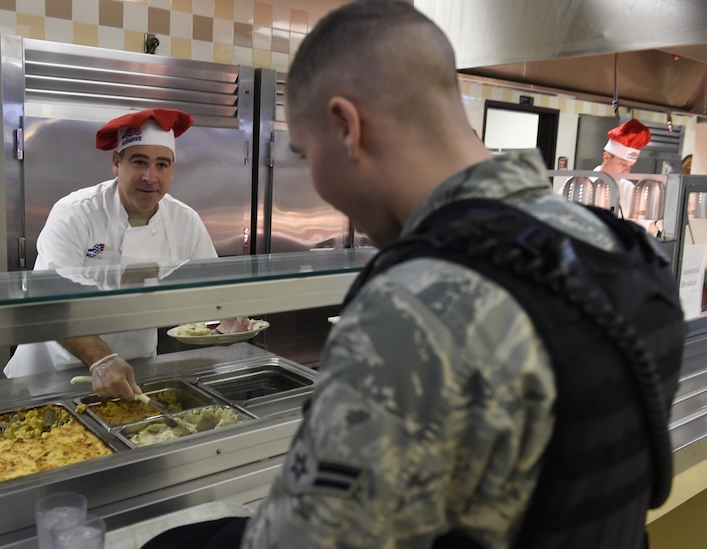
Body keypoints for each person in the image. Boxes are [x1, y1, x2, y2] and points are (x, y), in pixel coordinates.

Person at [142, 2, 685, 548]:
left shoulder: (419, 302)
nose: (319, 183)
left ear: (347, 126)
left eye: (307, 156)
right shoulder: (620, 246)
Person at [4, 108, 217, 400]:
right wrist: (101, 358)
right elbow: (48, 302)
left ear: (172, 169)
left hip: (135, 369)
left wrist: (227, 319)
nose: (150, 177)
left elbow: (213, 288)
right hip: (51, 374)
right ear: (117, 162)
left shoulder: (185, 221)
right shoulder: (75, 212)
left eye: (162, 164)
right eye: (139, 162)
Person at [594, 118, 652, 218]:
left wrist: (656, 224)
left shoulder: (628, 188)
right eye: (623, 164)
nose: (626, 172)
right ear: (606, 156)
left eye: (630, 166)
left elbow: (638, 222)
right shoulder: (581, 183)